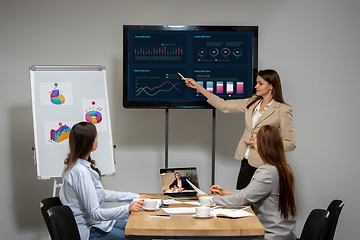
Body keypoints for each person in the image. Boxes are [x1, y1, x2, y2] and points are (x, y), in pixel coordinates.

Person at [184, 69, 296, 190]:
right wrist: (198, 87)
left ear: (271, 86)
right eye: (256, 83)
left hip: (266, 164)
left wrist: (261, 143)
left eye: (260, 83)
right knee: (241, 200)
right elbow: (224, 106)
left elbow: (290, 144)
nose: (256, 86)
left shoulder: (282, 110)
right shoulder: (251, 102)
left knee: (258, 204)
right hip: (246, 160)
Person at [59, 122, 153, 240]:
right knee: (140, 237)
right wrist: (127, 208)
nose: (97, 138)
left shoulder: (78, 167)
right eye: (96, 136)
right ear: (89, 142)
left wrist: (135, 197)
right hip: (90, 231)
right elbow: (96, 213)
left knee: (142, 230)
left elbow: (102, 194)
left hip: (98, 224)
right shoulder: (80, 173)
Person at [208, 125, 296, 240]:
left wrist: (208, 200)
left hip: (271, 235)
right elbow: (248, 193)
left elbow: (244, 198)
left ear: (261, 145)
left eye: (256, 139)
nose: (253, 142)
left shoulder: (267, 172)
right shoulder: (284, 169)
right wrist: (224, 192)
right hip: (284, 233)